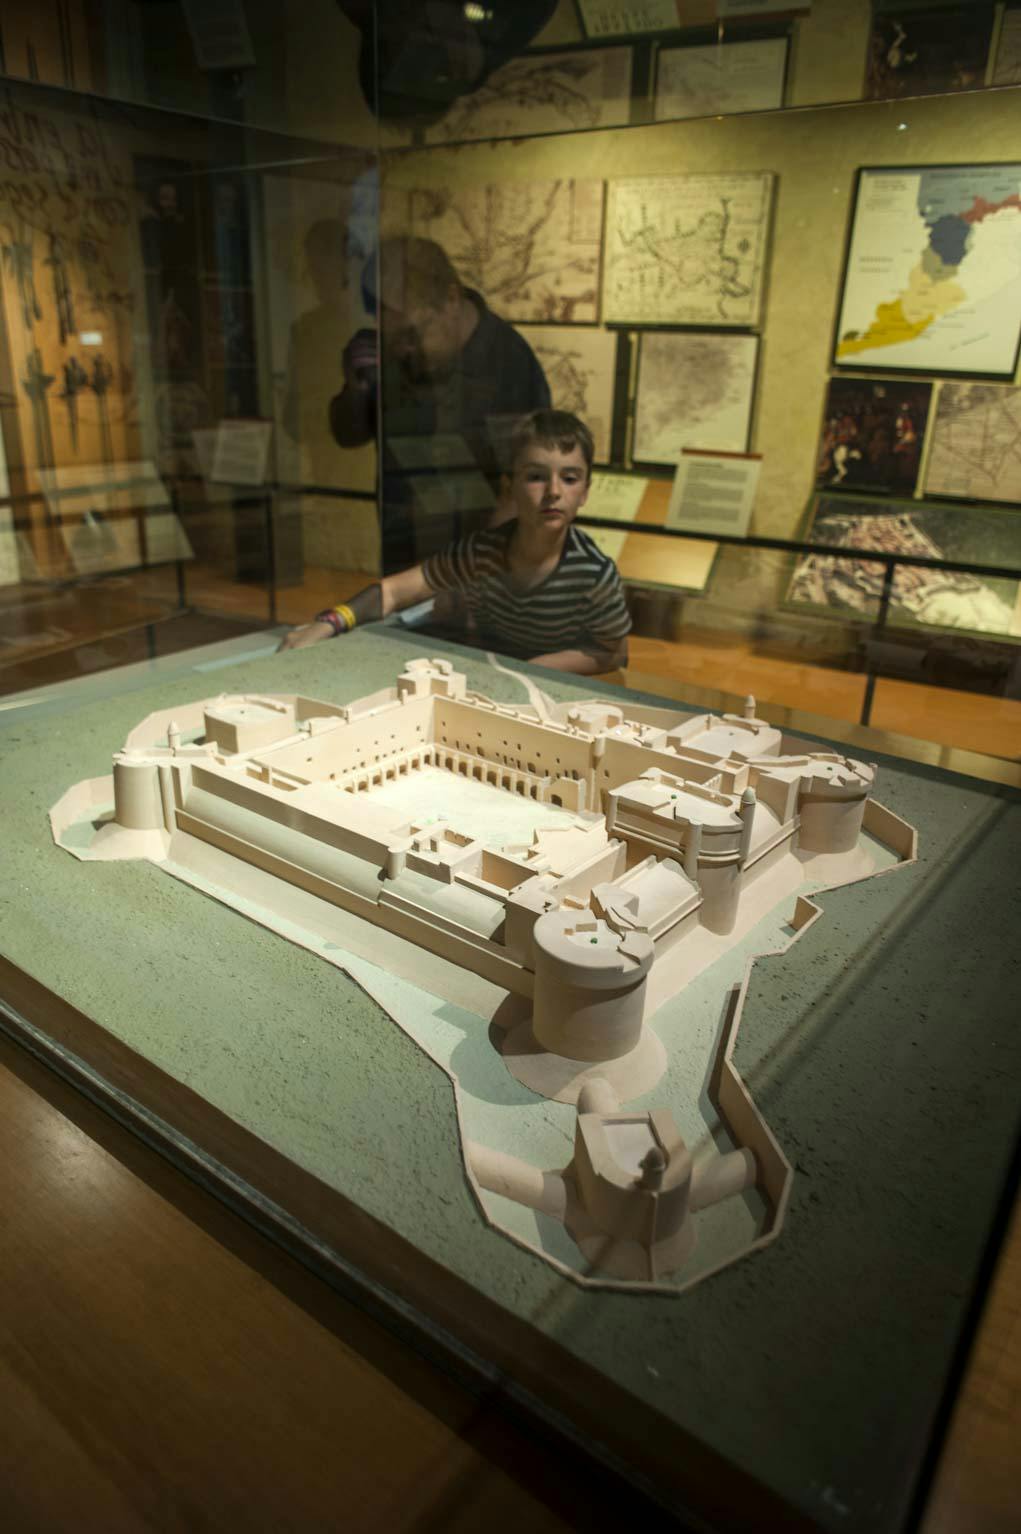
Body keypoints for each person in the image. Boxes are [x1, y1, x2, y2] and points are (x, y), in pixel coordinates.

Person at [279, 408, 630, 676]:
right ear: (509, 486)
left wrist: (535, 667)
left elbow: (614, 652)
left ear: (585, 492)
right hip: (489, 677)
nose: (553, 491)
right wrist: (328, 623)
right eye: (536, 476)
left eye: (570, 478)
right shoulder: (481, 554)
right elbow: (396, 591)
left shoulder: (594, 575)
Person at [329, 234, 550, 570]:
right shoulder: (392, 353)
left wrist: (486, 567)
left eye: (411, 334)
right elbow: (347, 435)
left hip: (477, 567)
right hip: (404, 554)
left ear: (450, 299)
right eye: (390, 337)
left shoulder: (510, 365)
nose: (401, 350)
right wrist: (356, 389)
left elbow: (528, 489)